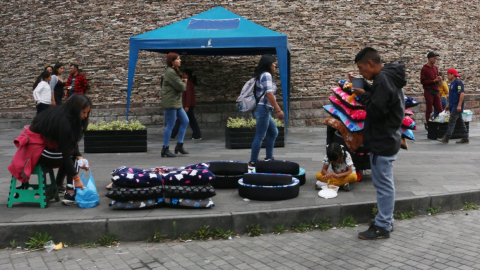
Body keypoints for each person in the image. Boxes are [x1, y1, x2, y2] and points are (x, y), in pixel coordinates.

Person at [351, 47, 406, 240]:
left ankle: (382, 226)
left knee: (383, 185)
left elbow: (377, 109)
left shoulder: (383, 79)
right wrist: (366, 87)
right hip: (388, 138)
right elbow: (383, 100)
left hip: (383, 140)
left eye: (361, 68)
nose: (360, 72)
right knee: (384, 183)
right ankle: (385, 220)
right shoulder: (387, 77)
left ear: (370, 63)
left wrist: (362, 95)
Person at [8, 95, 91, 205]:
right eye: (83, 112)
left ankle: (58, 186)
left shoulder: (62, 114)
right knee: (71, 157)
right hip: (35, 152)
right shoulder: (64, 121)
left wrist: (79, 155)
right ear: (75, 110)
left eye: (87, 113)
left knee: (73, 156)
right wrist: (76, 178)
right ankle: (70, 193)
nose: (85, 116)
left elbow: (69, 142)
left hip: (41, 148)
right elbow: (66, 152)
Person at [248, 55, 284, 167]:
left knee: (274, 132)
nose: (275, 65)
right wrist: (278, 110)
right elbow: (269, 94)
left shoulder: (262, 75)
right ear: (268, 64)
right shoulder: (266, 75)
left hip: (263, 109)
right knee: (260, 136)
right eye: (273, 63)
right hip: (262, 109)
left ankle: (269, 158)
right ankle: (253, 162)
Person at [161, 52, 189, 157]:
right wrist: (185, 82)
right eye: (178, 59)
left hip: (176, 102)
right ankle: (165, 148)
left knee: (185, 121)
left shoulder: (174, 71)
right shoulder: (170, 72)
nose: (180, 60)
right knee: (170, 125)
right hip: (170, 102)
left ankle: (179, 145)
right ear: (172, 61)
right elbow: (181, 87)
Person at [437, 68, 469, 144]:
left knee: (451, 121)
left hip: (456, 106)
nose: (447, 76)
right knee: (460, 121)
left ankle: (446, 137)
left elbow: (461, 94)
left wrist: (459, 105)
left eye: (448, 74)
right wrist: (448, 105)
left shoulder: (458, 82)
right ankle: (465, 137)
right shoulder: (452, 83)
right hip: (452, 105)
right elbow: (452, 96)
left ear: (453, 75)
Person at [170, 69, 202, 140]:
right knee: (192, 120)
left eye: (184, 74)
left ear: (187, 75)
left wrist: (187, 106)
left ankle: (172, 135)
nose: (182, 75)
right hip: (189, 105)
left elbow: (188, 96)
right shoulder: (188, 83)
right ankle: (197, 135)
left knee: (180, 119)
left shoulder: (188, 84)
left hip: (188, 106)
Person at [420, 52, 443, 129]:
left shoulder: (435, 68)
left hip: (436, 90)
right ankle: (428, 124)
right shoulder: (424, 69)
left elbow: (436, 77)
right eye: (434, 58)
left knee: (440, 109)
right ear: (429, 59)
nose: (435, 60)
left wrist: (439, 79)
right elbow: (423, 81)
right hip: (429, 90)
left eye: (436, 58)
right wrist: (433, 81)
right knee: (429, 109)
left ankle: (442, 123)